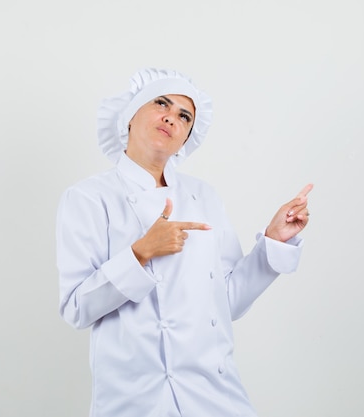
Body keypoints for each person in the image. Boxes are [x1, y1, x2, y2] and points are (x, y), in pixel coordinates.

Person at [56, 68, 313, 417]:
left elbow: (227, 302)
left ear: (186, 138)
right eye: (161, 103)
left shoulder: (204, 196)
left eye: (184, 116)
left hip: (213, 393)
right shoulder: (88, 198)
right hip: (135, 398)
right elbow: (76, 307)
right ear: (130, 115)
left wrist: (273, 240)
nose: (171, 117)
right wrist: (142, 251)